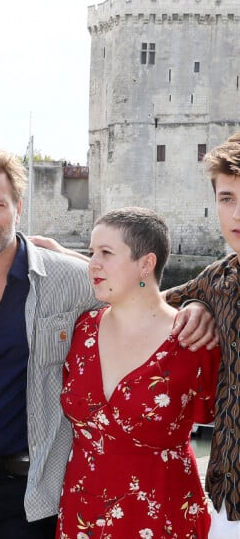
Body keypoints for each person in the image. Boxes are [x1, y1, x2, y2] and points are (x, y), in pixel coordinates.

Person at [0, 148, 218, 539]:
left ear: (18, 206)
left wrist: (196, 304)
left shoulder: (72, 280)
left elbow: (136, 294)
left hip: (37, 496)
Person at [57, 207, 220, 538]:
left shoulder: (194, 340)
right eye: (91, 252)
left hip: (163, 515)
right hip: (82, 515)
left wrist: (202, 306)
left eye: (106, 253)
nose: (93, 263)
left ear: (146, 263)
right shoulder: (81, 330)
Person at [166, 131, 240, 539]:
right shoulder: (220, 277)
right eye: (227, 198)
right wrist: (198, 304)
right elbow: (144, 302)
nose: (237, 215)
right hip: (228, 500)